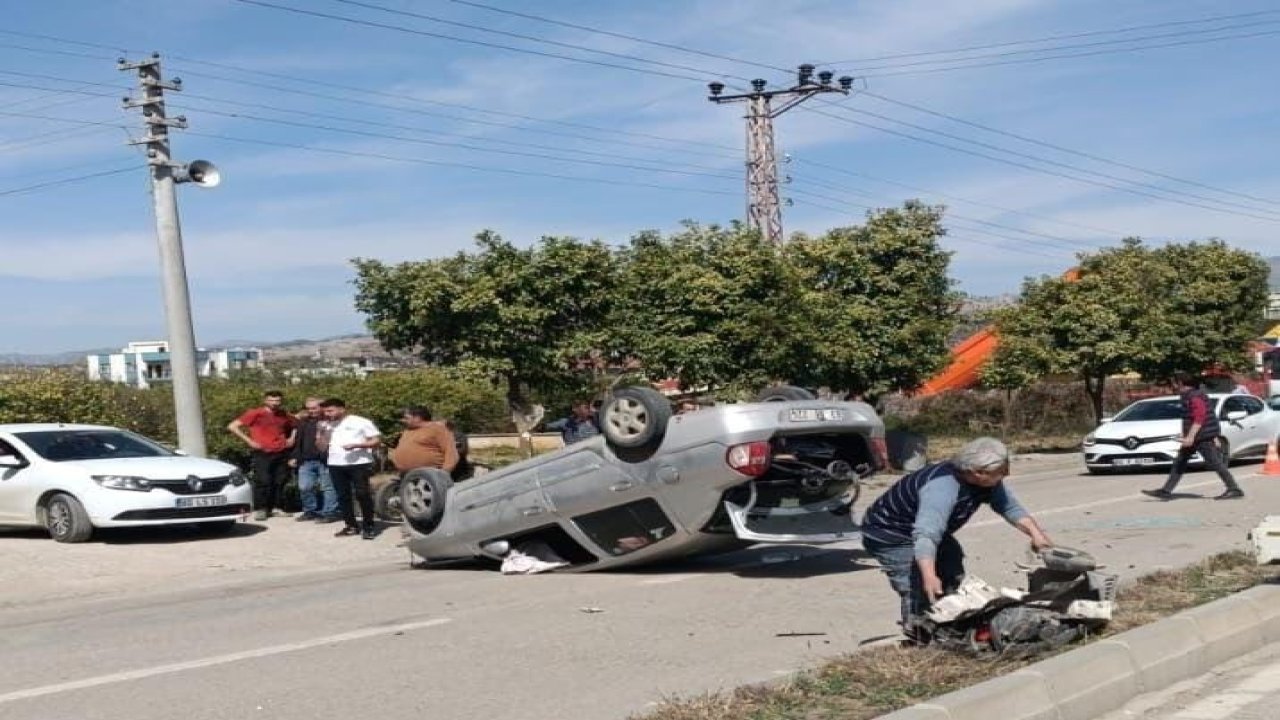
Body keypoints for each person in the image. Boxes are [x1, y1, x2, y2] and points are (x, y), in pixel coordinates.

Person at [860, 437, 1053, 642]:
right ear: (977, 472)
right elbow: (926, 534)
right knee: (917, 587)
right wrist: (928, 575)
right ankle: (919, 638)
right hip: (890, 534)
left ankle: (952, 623)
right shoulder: (942, 488)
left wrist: (1036, 534)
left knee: (952, 567)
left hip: (927, 531)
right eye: (1002, 472)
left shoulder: (986, 481)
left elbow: (1009, 507)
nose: (1006, 475)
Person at [1143, 374, 1244, 501]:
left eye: (1176, 383)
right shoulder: (1190, 396)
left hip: (1201, 437)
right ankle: (1166, 491)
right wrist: (1186, 434)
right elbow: (1196, 418)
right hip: (1198, 435)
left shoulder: (1195, 397)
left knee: (1215, 463)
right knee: (1180, 462)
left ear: (1181, 383)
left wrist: (1191, 437)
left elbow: (1200, 418)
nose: (1174, 386)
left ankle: (1234, 489)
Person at [228, 390, 297, 521]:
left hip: (281, 450)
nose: (275, 403)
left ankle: (277, 507)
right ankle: (261, 509)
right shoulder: (255, 413)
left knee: (280, 481)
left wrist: (291, 438)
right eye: (272, 400)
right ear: (265, 400)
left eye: (277, 401)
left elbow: (296, 423)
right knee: (263, 480)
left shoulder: (283, 414)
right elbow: (232, 426)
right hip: (263, 451)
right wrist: (250, 441)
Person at [321, 398, 382, 539]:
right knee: (342, 496)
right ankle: (351, 525)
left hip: (358, 463)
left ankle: (369, 526)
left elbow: (376, 440)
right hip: (335, 463)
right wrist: (321, 434)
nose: (328, 414)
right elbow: (321, 446)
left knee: (362, 494)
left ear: (342, 409)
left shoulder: (360, 421)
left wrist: (358, 445)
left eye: (331, 411)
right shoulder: (327, 425)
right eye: (326, 412)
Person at [289, 397, 339, 523]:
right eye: (308, 408)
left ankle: (329, 513)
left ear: (321, 407)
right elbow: (298, 441)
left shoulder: (330, 421)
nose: (311, 411)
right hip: (306, 460)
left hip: (326, 460)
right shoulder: (304, 422)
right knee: (304, 487)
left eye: (314, 408)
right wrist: (294, 456)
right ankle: (310, 511)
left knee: (328, 487)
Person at [390, 405, 459, 476]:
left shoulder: (437, 429)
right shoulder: (407, 431)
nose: (403, 420)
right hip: (408, 477)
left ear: (417, 418)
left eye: (406, 418)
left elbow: (450, 452)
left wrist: (444, 473)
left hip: (431, 476)